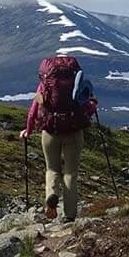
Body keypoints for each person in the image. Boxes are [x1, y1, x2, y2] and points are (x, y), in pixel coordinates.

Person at [20, 56, 97, 222]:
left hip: (50, 132)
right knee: (70, 173)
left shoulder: (44, 86)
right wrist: (93, 104)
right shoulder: (77, 86)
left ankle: (52, 194)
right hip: (74, 133)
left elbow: (33, 111)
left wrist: (28, 130)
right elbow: (87, 109)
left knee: (52, 169)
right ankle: (69, 216)